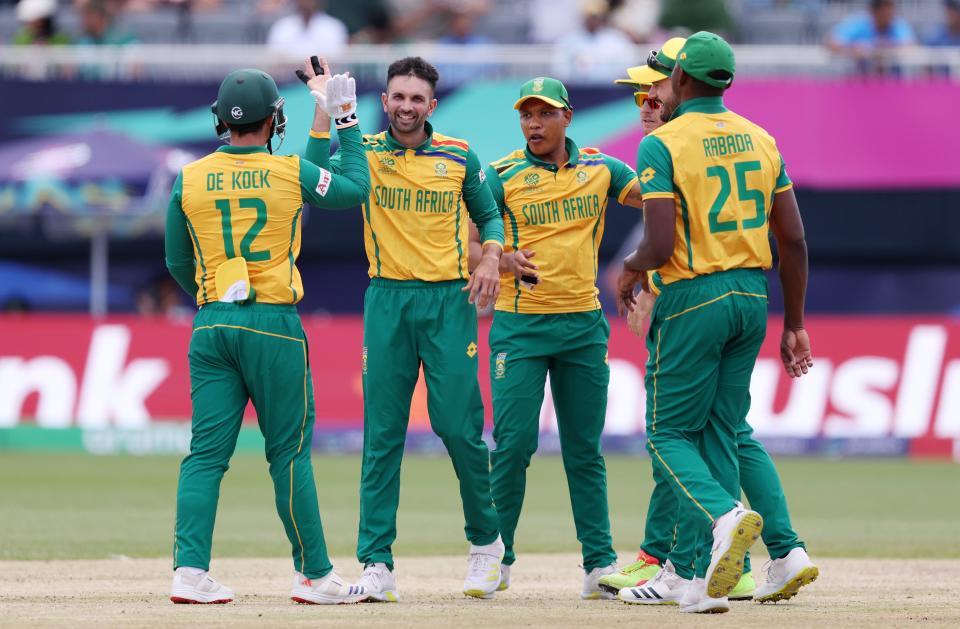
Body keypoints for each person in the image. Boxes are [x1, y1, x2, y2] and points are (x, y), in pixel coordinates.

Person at [602, 37, 818, 608]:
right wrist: (794, 321)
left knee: (667, 433)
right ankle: (705, 580)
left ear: (679, 77)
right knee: (723, 431)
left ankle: (724, 518)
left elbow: (659, 241)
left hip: (694, 295)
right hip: (753, 295)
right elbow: (793, 238)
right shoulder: (761, 138)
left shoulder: (664, 143)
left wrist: (628, 271)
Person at [164, 60, 371, 605]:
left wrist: (211, 299)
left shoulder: (188, 177)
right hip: (273, 325)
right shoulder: (287, 173)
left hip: (211, 323)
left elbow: (175, 260)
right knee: (290, 453)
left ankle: (188, 573)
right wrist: (344, 118)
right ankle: (315, 575)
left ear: (220, 121)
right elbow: (353, 187)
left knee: (205, 455)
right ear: (275, 119)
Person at [305, 56, 506, 602]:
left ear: (431, 106)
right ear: (385, 100)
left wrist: (490, 257)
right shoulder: (363, 152)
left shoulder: (459, 154)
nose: (406, 107)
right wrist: (324, 112)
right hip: (388, 300)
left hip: (447, 302)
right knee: (383, 435)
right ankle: (376, 563)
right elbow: (313, 185)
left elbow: (489, 215)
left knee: (459, 429)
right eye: (398, 97)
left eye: (417, 99)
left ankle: (487, 546)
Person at [483, 76, 642, 599]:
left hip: (581, 326)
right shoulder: (500, 175)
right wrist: (499, 258)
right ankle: (495, 557)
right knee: (513, 446)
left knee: (583, 450)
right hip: (520, 327)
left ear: (567, 118)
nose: (533, 123)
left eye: (544, 113)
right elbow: (462, 241)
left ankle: (599, 565)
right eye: (526, 114)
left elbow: (654, 198)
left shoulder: (600, 168)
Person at [827, 0, 915, 74]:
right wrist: (852, 50)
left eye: (892, 10)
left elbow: (910, 44)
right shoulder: (858, 22)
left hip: (891, 81)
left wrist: (883, 48)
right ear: (874, 11)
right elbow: (832, 43)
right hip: (858, 79)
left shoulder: (897, 24)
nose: (890, 15)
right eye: (885, 11)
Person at [266, 0, 348, 60]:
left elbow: (336, 59)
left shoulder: (334, 27)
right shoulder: (281, 27)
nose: (306, 2)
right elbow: (274, 58)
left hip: (324, 80)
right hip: (288, 80)